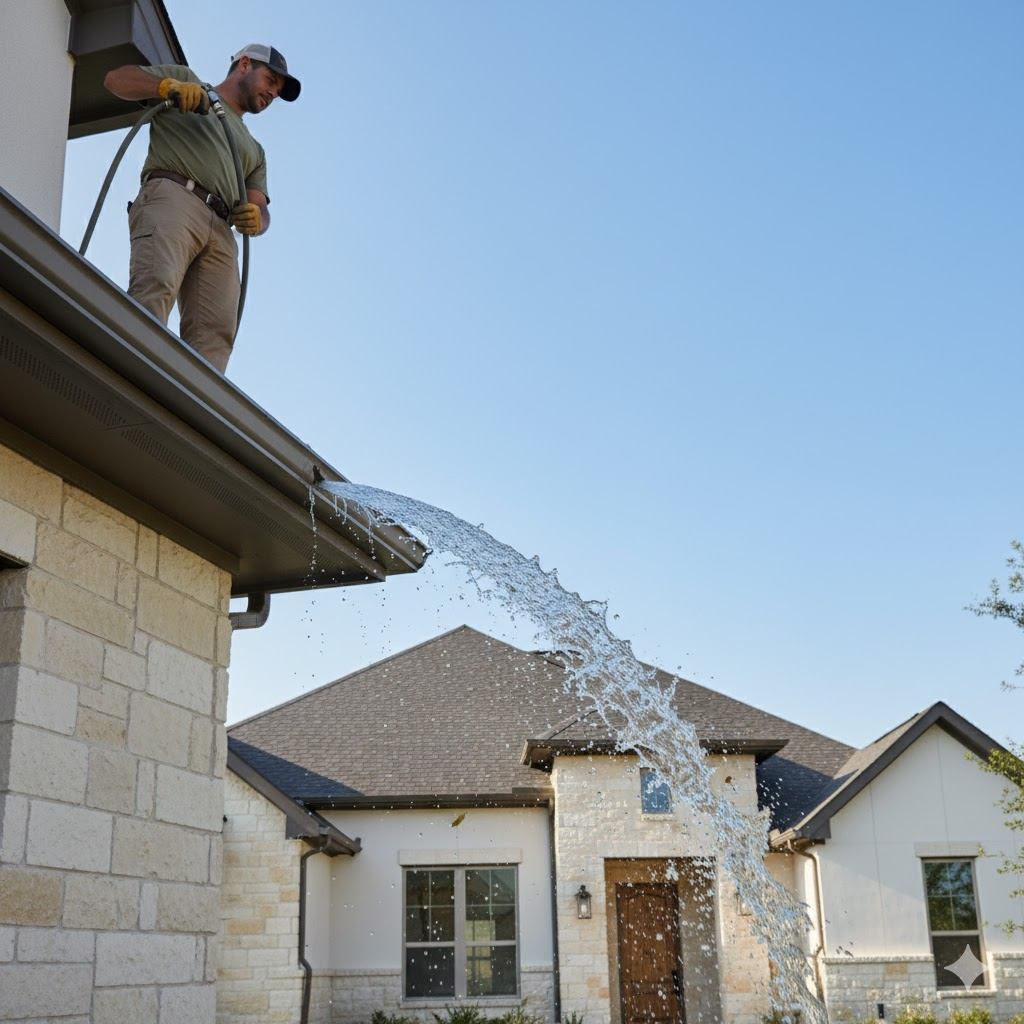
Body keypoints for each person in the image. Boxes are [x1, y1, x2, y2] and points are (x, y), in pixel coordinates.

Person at [103, 45, 301, 372]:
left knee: (216, 334)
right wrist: (165, 87)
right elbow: (116, 80)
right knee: (156, 288)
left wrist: (258, 220)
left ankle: (182, 418)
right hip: (175, 195)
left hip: (222, 230)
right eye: (270, 80)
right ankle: (127, 383)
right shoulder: (186, 82)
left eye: (277, 91)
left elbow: (259, 208)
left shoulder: (256, 151)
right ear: (245, 64)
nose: (272, 92)